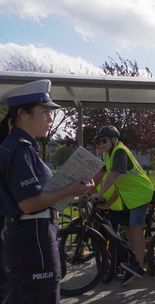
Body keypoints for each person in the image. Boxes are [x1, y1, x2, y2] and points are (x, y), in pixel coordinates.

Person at [0, 80, 94, 303]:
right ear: (23, 114)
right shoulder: (20, 149)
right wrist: (71, 189)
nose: (50, 119)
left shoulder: (20, 146)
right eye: (45, 113)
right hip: (33, 239)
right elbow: (28, 203)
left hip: (29, 237)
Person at [89, 125, 154, 284]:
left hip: (141, 192)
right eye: (99, 142)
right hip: (131, 196)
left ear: (113, 139)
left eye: (104, 141)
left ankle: (139, 266)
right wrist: (87, 188)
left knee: (136, 229)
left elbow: (114, 174)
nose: (102, 145)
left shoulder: (119, 151)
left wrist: (100, 193)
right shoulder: (108, 155)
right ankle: (133, 260)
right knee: (130, 230)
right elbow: (99, 175)